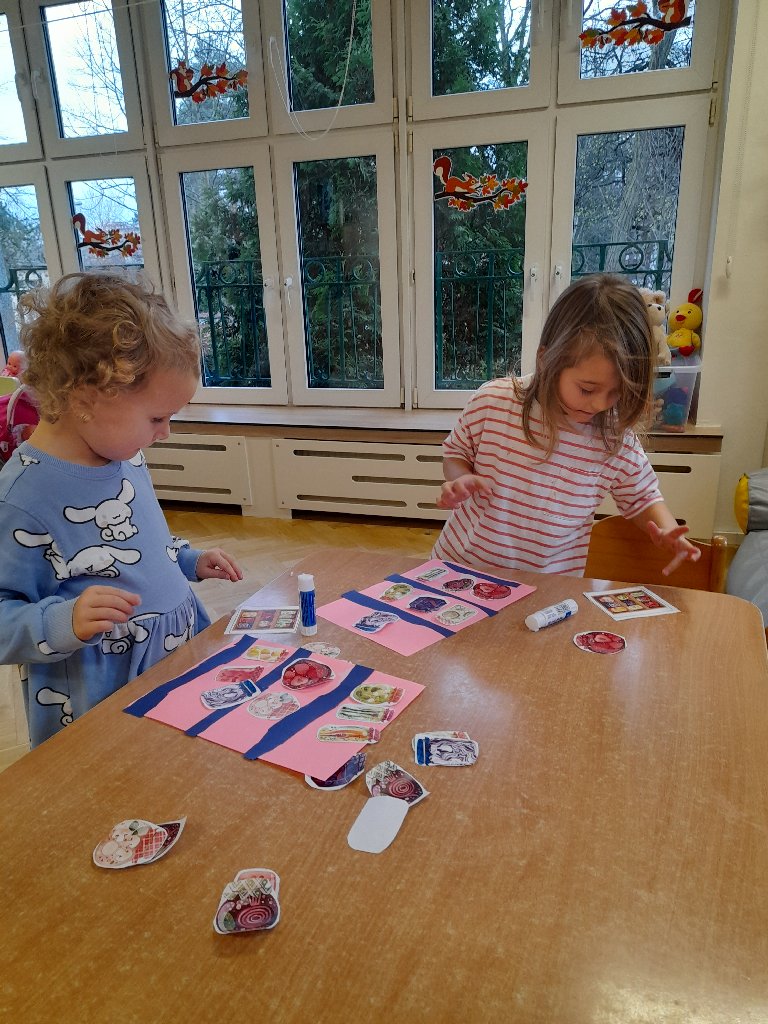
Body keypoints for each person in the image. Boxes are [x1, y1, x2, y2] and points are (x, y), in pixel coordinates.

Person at [0, 273, 243, 747]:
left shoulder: (125, 455)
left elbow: (138, 539)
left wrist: (186, 559)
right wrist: (63, 621)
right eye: (157, 417)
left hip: (173, 656)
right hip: (102, 692)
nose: (166, 432)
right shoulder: (21, 498)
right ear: (87, 398)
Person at [433, 273, 700, 578]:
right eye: (587, 389)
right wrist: (460, 479)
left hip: (545, 585)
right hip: (460, 570)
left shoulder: (615, 436)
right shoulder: (493, 401)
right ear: (547, 360)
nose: (600, 404)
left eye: (616, 392)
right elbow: (456, 453)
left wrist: (666, 530)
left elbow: (643, 497)